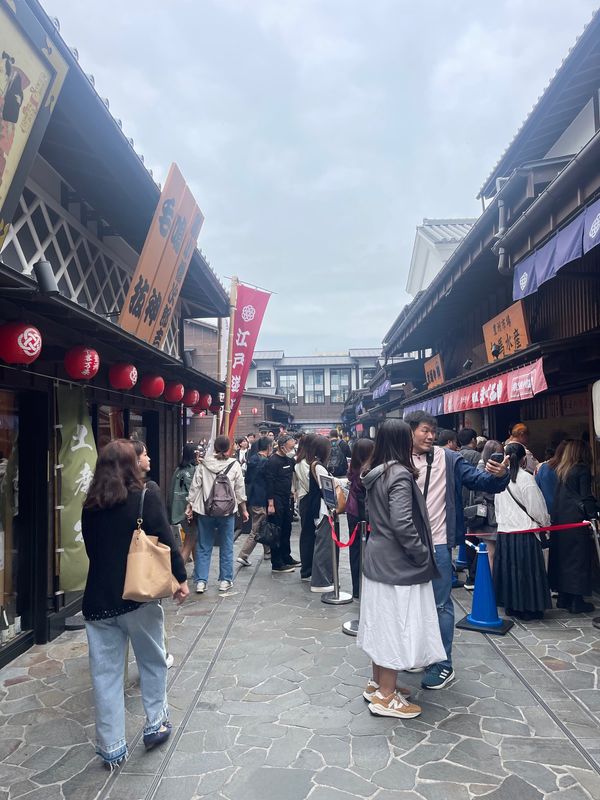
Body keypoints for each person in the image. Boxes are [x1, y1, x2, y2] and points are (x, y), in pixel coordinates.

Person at [81, 440, 189, 768]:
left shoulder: (90, 505)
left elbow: (91, 550)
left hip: (98, 600)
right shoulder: (145, 495)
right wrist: (180, 579)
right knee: (152, 661)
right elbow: (167, 540)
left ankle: (112, 746)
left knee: (105, 675)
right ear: (131, 465)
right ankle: (155, 722)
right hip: (137, 597)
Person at [405, 410, 509, 690]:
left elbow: (480, 480)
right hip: (407, 545)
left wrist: (500, 476)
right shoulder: (400, 459)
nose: (430, 436)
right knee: (414, 603)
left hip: (438, 543)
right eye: (424, 430)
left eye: (433, 430)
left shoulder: (449, 458)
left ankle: (443, 664)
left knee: (440, 604)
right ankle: (422, 654)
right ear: (411, 431)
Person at [358, 420, 446, 719]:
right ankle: (386, 695)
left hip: (378, 558)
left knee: (381, 622)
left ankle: (378, 683)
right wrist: (421, 553)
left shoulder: (377, 472)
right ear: (401, 440)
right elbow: (403, 523)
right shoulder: (398, 474)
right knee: (396, 624)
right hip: (398, 563)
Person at [494, 443, 552, 621]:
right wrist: (545, 523)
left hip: (505, 532)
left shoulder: (499, 479)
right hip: (525, 533)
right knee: (527, 573)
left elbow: (497, 507)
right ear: (523, 459)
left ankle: (512, 606)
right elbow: (537, 507)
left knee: (511, 572)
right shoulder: (526, 479)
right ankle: (529, 608)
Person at [186, 435, 248, 593]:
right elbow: (239, 489)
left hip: (205, 510)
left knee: (203, 545)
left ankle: (201, 581)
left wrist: (189, 505)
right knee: (227, 545)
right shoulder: (234, 465)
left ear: (214, 447)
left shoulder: (204, 465)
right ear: (229, 448)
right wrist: (244, 509)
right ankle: (225, 580)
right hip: (227, 511)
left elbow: (195, 487)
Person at [549, 440, 599, 614]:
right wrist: (593, 514)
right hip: (576, 521)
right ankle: (577, 601)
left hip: (560, 520)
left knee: (563, 559)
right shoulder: (582, 470)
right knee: (578, 560)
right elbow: (586, 496)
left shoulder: (562, 470)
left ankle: (564, 598)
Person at [466, 440, 504, 577]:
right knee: (490, 552)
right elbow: (489, 492)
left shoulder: (479, 467)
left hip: (484, 516)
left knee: (488, 551)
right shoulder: (487, 470)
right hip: (490, 516)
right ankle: (490, 584)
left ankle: (486, 582)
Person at [237, 436, 273, 566]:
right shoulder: (265, 462)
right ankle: (243, 555)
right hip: (261, 499)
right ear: (269, 447)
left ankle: (268, 552)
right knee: (257, 529)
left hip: (252, 497)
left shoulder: (252, 459)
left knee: (262, 524)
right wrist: (270, 502)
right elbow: (268, 483)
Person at [308, 435, 337, 592]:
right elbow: (326, 488)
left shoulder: (315, 464)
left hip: (319, 509)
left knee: (323, 545)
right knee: (323, 546)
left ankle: (322, 580)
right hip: (322, 509)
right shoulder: (318, 466)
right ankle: (320, 582)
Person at [266, 434, 300, 573]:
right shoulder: (273, 461)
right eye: (291, 447)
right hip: (276, 499)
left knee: (287, 528)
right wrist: (270, 503)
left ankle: (287, 557)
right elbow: (269, 483)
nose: (292, 449)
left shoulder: (289, 460)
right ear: (282, 446)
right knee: (277, 531)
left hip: (287, 498)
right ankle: (277, 563)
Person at [346, 438, 374, 598]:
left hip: (352, 512)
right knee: (367, 551)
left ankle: (357, 588)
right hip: (363, 516)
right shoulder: (369, 471)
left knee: (355, 551)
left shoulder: (353, 467)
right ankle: (366, 588)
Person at [458, 428, 482, 589]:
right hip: (473, 502)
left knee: (467, 537)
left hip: (459, 500)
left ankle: (468, 568)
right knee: (476, 537)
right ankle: (474, 574)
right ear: (473, 440)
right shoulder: (476, 456)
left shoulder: (456, 456)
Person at [168, 444, 200, 566]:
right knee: (189, 542)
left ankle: (198, 569)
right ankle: (178, 572)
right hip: (188, 511)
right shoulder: (194, 470)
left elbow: (171, 491)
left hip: (176, 510)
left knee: (193, 540)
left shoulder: (178, 470)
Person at [294, 433, 318, 580]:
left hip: (307, 498)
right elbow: (309, 485)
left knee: (309, 534)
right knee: (308, 535)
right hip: (307, 500)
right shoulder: (302, 463)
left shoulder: (307, 462)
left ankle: (309, 567)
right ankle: (306, 569)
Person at [535, 440, 568, 512]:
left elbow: (536, 488)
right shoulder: (566, 469)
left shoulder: (542, 467)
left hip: (546, 510)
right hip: (565, 511)